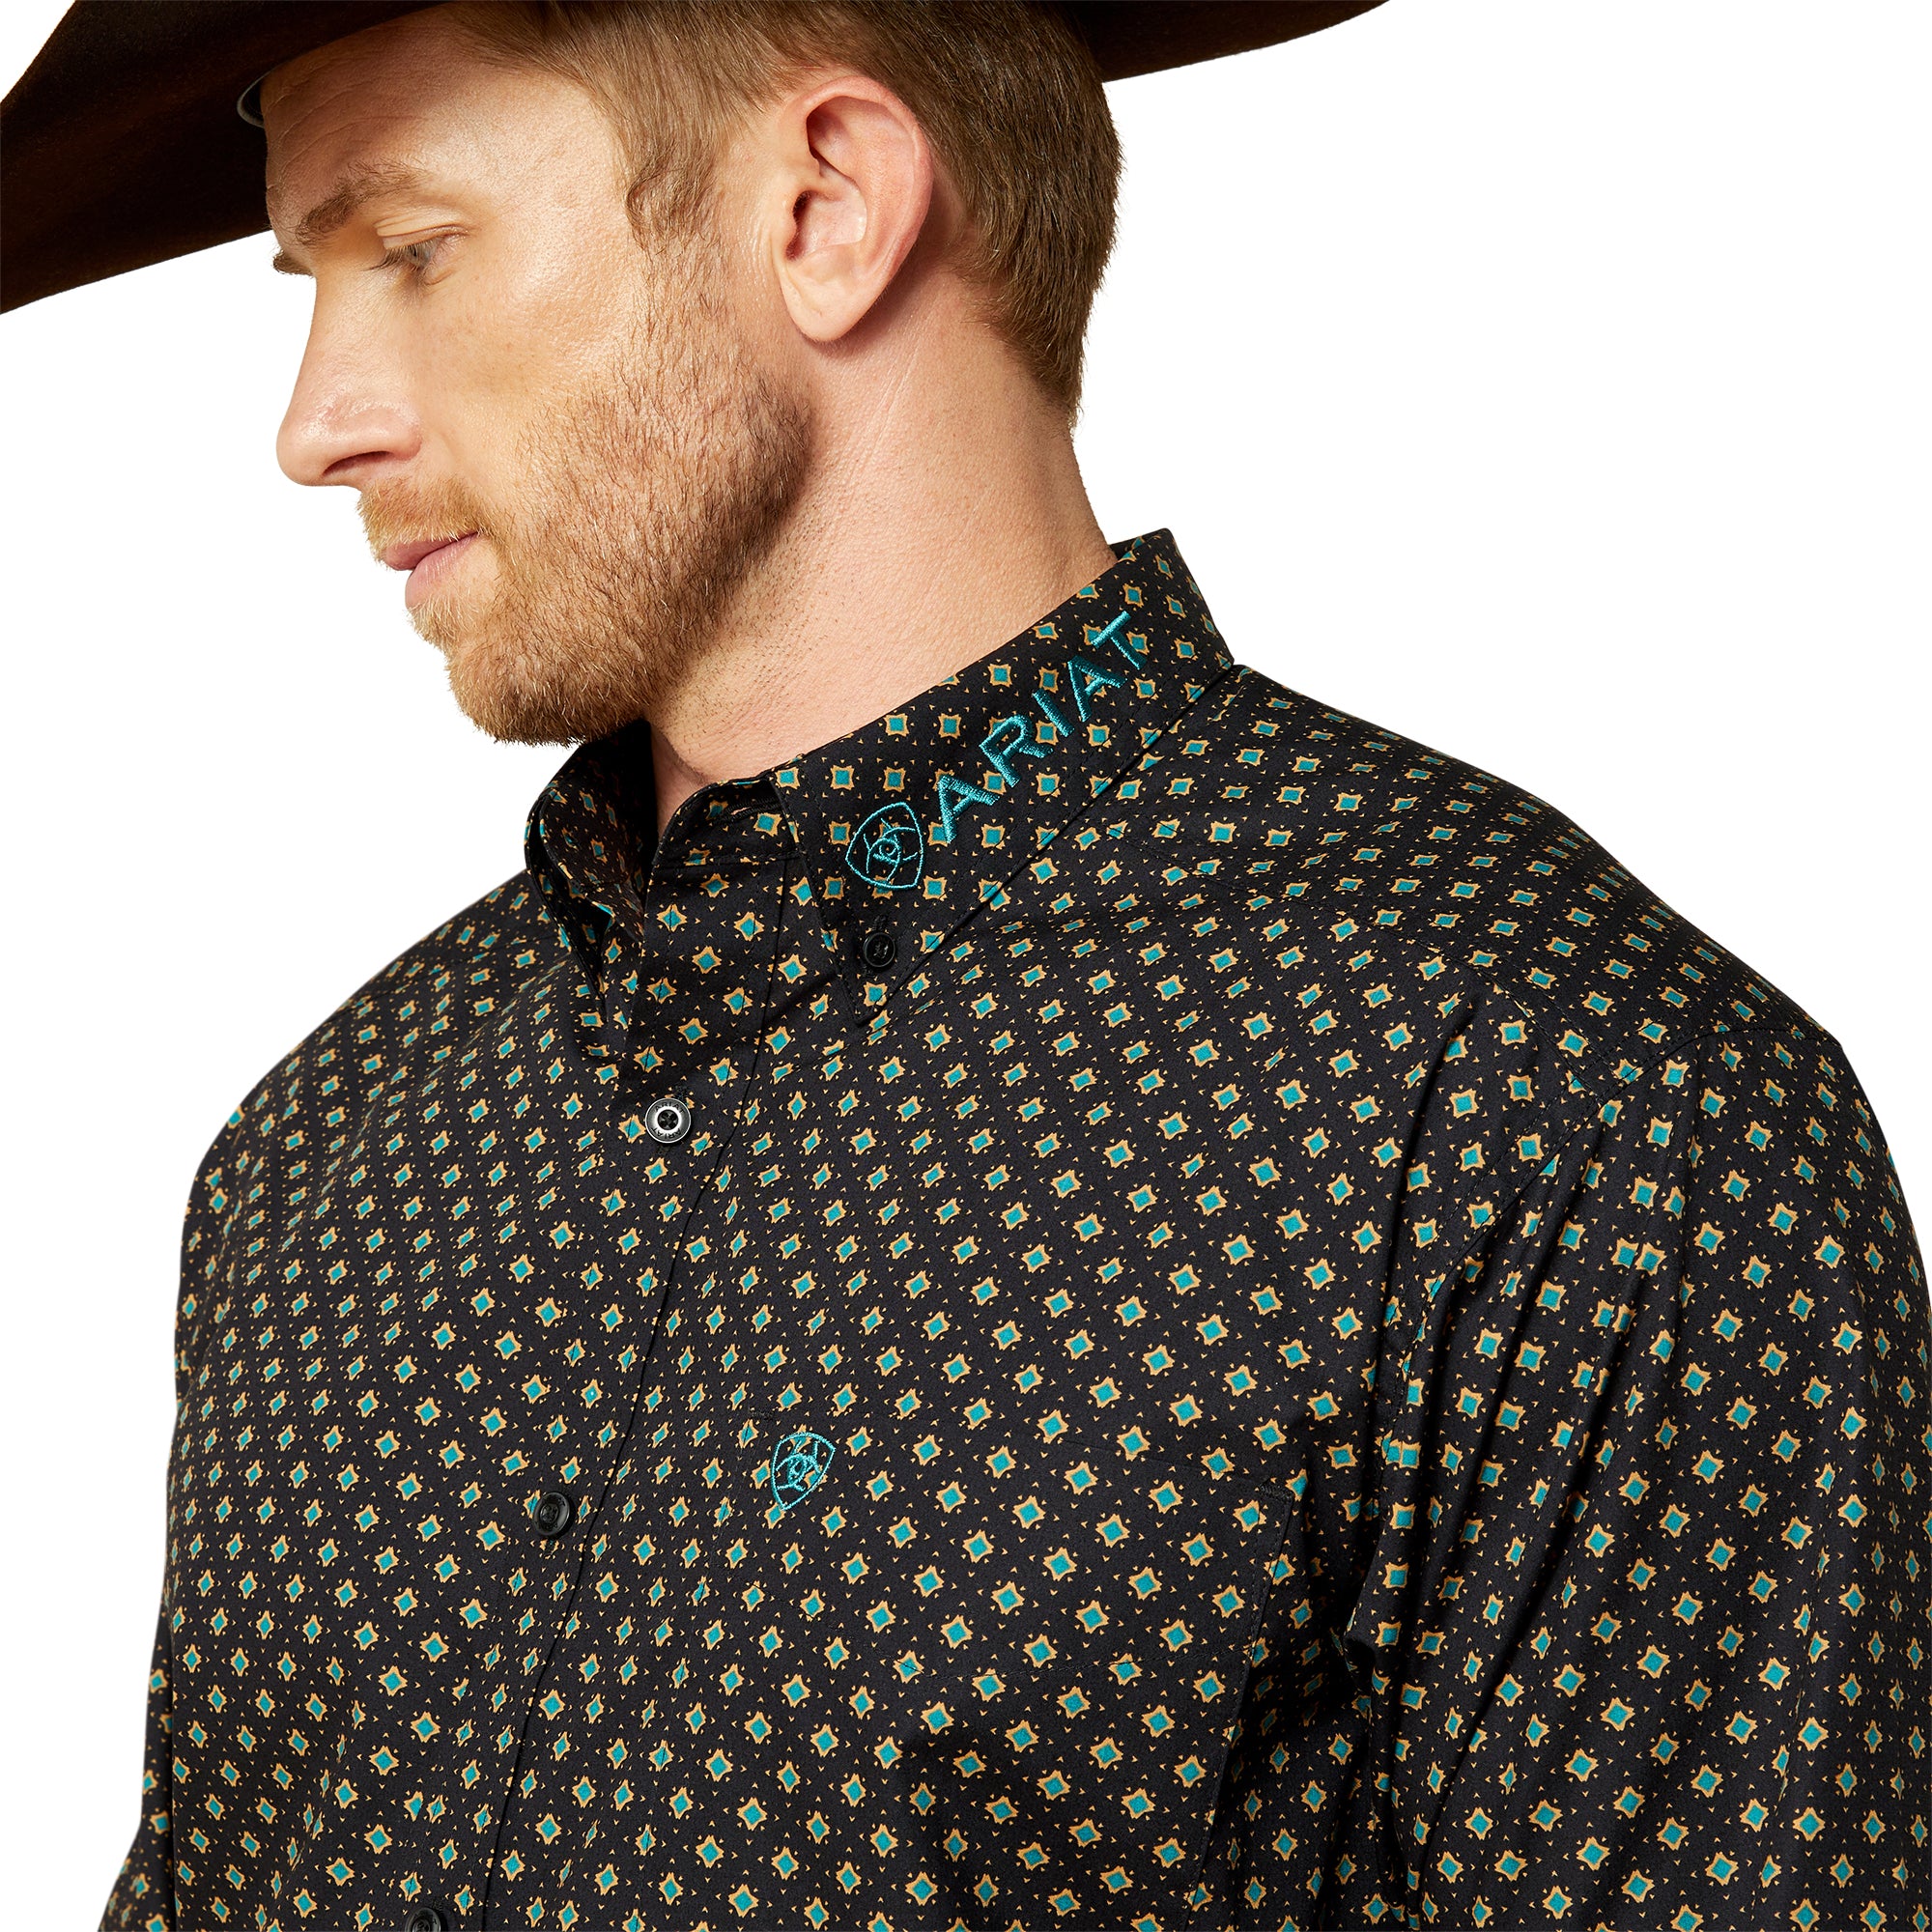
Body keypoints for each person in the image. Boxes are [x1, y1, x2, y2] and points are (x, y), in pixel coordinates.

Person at [1, 4, 1919, 1929]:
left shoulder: (1562, 1104)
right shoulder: (325, 1157)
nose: (314, 426)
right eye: (313, 284)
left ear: (826, 210)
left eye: (415, 251)